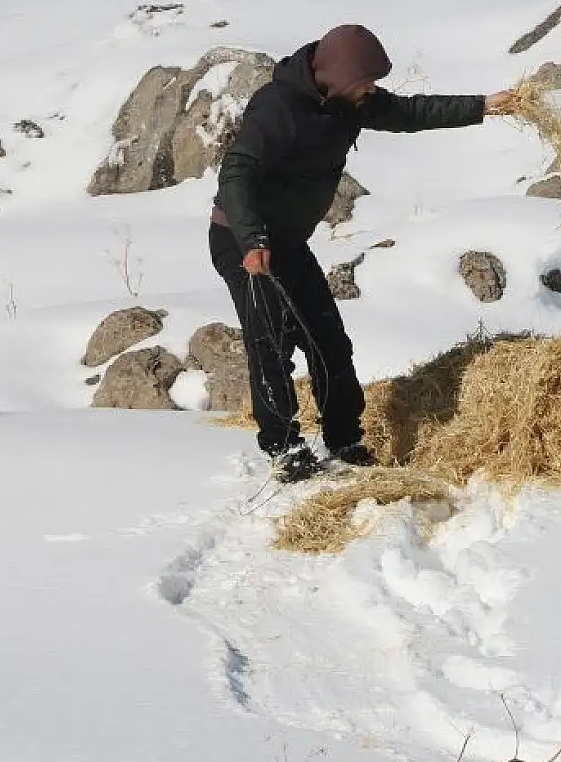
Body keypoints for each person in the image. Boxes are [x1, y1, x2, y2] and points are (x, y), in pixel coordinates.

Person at [210, 24, 515, 481]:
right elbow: (237, 172)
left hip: (288, 243)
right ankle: (284, 449)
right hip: (242, 239)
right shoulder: (278, 107)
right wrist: (253, 241)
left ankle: (344, 439)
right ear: (338, 75)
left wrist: (482, 106)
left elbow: (411, 112)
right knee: (270, 342)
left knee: (328, 339)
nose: (371, 90)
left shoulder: (348, 100)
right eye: (366, 81)